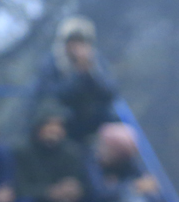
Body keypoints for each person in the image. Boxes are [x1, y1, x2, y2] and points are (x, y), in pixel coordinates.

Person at [14, 101, 92, 202]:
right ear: (38, 128)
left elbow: (86, 183)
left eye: (58, 126)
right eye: (49, 125)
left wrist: (76, 190)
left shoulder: (72, 152)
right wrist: (49, 192)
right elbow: (18, 188)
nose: (54, 130)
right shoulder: (22, 152)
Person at [31, 16, 118, 144]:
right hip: (63, 118)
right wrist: (79, 74)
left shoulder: (97, 62)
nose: (77, 47)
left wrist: (90, 74)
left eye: (82, 42)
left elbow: (110, 93)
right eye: (73, 41)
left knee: (116, 125)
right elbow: (51, 95)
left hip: (93, 119)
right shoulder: (52, 62)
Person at [88, 123, 164, 202]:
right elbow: (100, 194)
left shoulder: (130, 164)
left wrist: (124, 188)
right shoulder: (93, 162)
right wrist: (132, 187)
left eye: (106, 147)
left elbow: (153, 197)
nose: (100, 149)